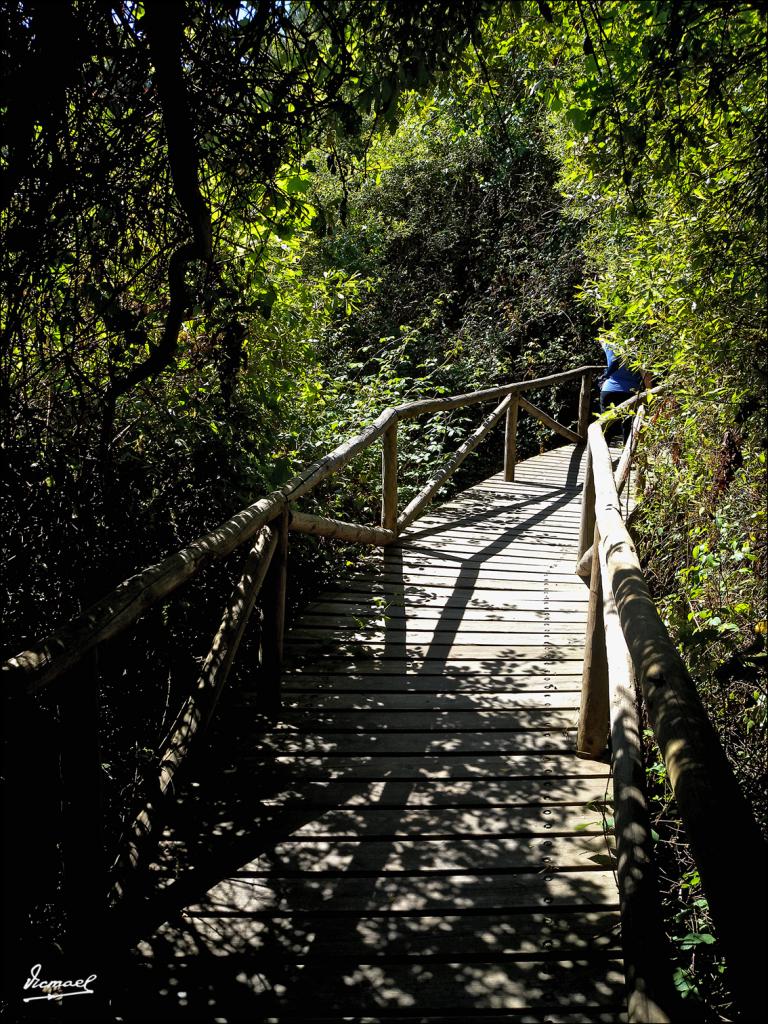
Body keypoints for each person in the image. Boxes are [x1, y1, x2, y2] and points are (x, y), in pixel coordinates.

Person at [598, 341, 645, 444]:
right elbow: (645, 372)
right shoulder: (640, 350)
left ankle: (600, 452)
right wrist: (650, 392)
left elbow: (601, 339)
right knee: (629, 426)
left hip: (609, 390)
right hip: (630, 391)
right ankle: (627, 452)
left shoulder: (609, 345)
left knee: (606, 425)